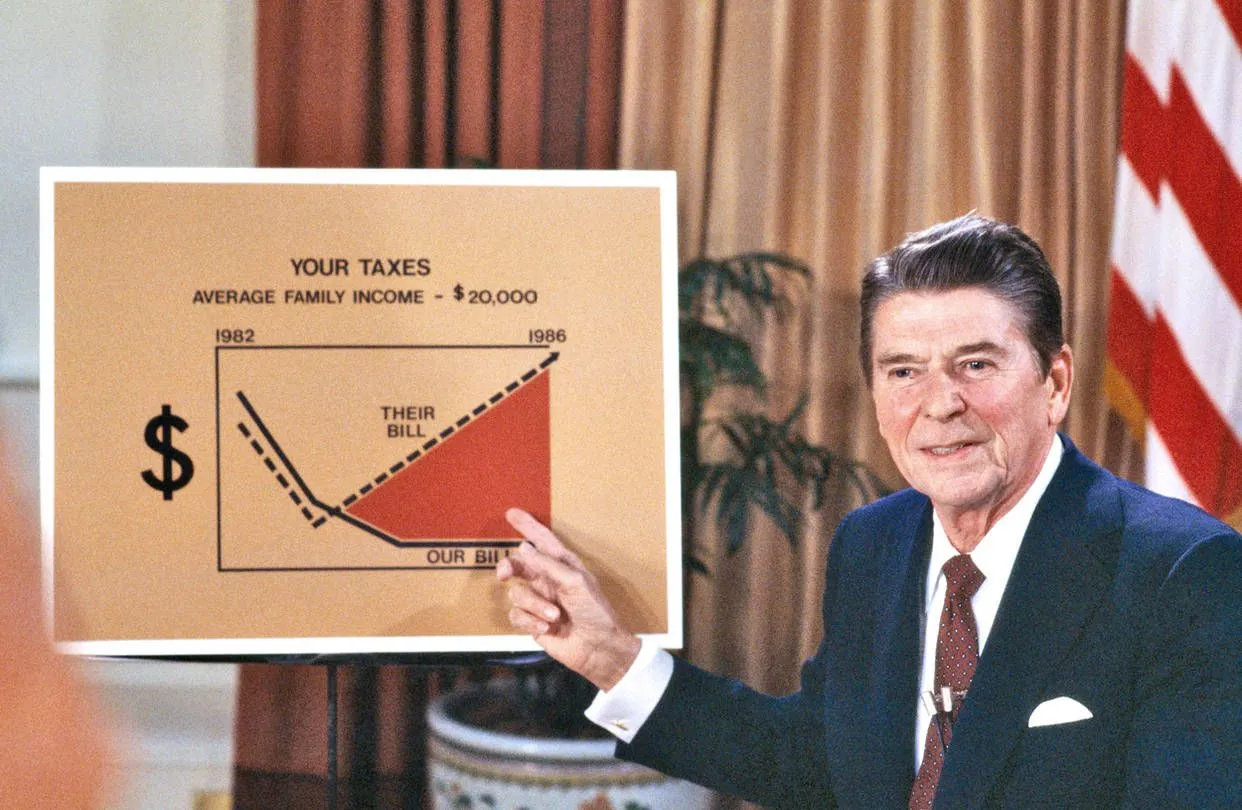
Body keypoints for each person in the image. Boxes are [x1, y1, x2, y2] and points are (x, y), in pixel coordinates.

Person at [497, 213, 1242, 809]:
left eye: (976, 364)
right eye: (904, 371)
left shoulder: (1182, 574)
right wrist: (609, 659)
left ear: (1055, 383)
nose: (940, 404)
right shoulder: (874, 543)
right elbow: (816, 763)